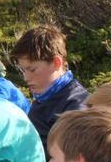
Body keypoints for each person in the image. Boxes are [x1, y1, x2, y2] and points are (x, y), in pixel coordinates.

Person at [10, 25, 88, 153]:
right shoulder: (43, 98)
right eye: (23, 70)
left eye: (32, 69)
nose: (26, 78)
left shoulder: (76, 108)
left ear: (57, 63)